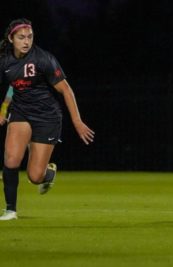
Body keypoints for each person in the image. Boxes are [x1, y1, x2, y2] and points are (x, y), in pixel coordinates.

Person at [0, 18, 94, 220]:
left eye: (30, 37)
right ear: (11, 39)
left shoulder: (43, 59)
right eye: (21, 37)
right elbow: (13, 84)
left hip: (47, 117)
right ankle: (10, 210)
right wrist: (5, 107)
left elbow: (66, 91)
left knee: (35, 177)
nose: (26, 41)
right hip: (21, 113)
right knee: (11, 158)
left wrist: (77, 122)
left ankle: (47, 173)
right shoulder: (4, 60)